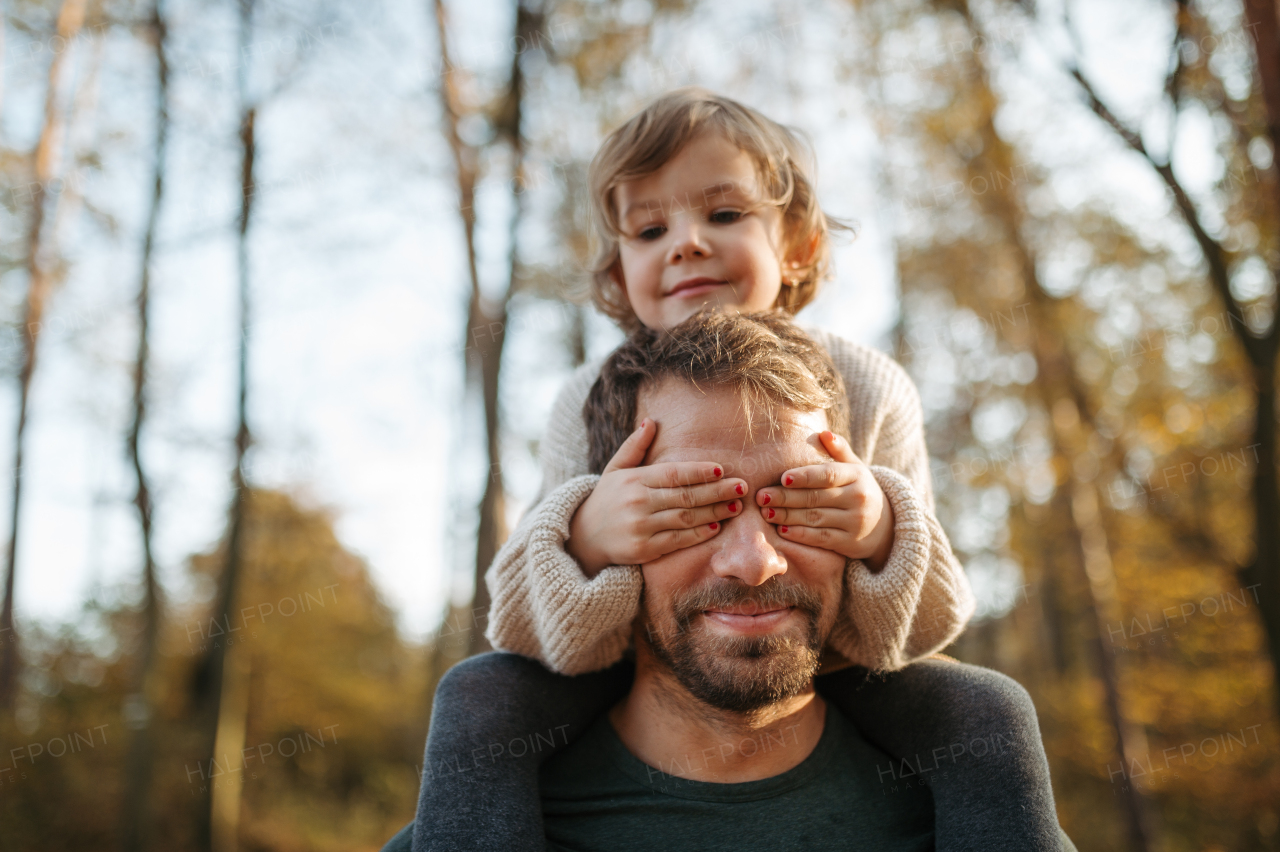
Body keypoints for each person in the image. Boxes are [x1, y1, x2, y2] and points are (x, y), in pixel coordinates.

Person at [398, 89, 1065, 850]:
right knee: (480, 691)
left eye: (723, 215)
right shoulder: (586, 398)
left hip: (833, 671)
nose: (686, 243)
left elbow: (919, 631)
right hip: (643, 666)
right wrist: (586, 537)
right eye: (651, 228)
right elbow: (536, 635)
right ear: (619, 273)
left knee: (985, 706)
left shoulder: (868, 384)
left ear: (800, 246)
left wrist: (881, 532)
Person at [381, 313, 1071, 851]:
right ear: (604, 524)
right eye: (692, 508)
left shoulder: (981, 815)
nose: (754, 561)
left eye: (802, 504)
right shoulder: (471, 822)